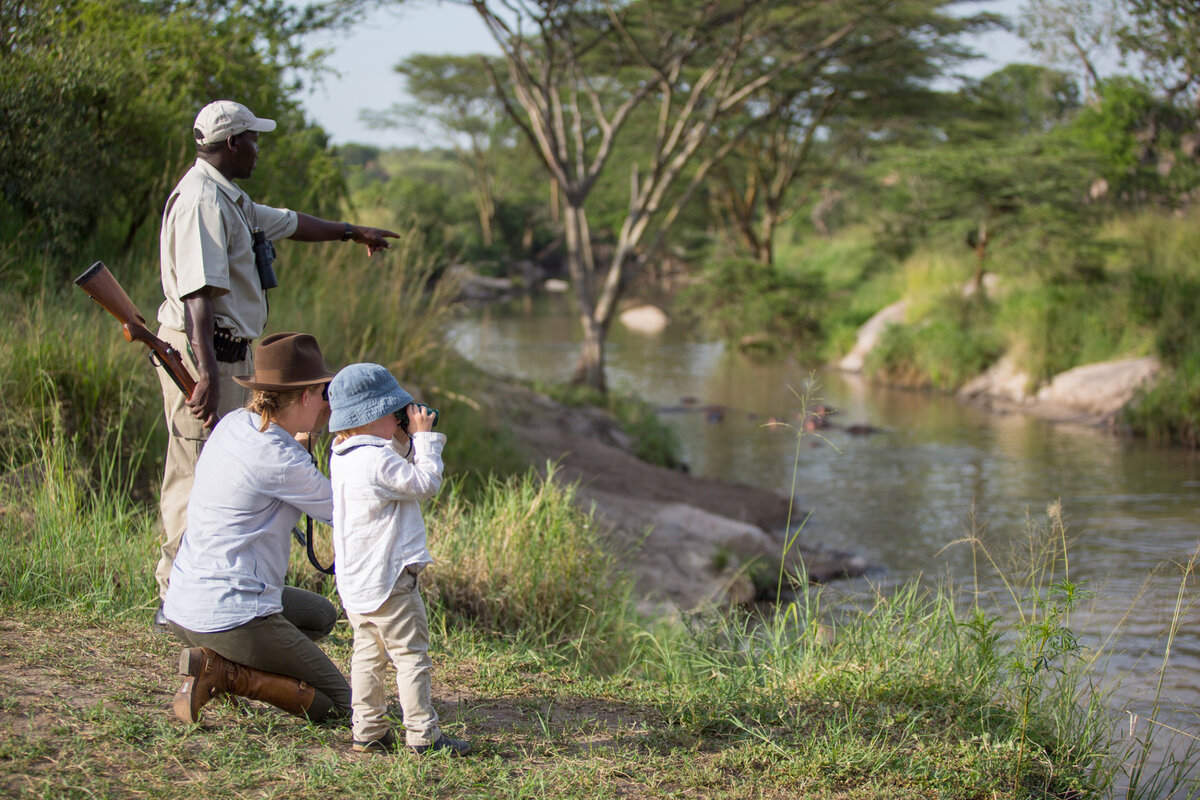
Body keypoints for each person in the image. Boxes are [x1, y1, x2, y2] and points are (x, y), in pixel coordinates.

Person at [153, 99, 399, 625]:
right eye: (253, 140)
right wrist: (207, 377)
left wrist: (351, 231)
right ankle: (175, 596)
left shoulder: (230, 198)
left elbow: (288, 223)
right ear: (232, 142)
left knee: (227, 465)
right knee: (195, 470)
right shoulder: (201, 200)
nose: (258, 150)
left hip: (225, 352)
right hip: (205, 353)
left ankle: (215, 588)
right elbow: (198, 297)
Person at [164, 332, 351, 724]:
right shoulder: (283, 461)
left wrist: (303, 440)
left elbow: (273, 469)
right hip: (229, 613)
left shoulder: (235, 423)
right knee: (343, 707)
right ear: (304, 396)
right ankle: (229, 675)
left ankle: (215, 659)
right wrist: (353, 446)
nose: (326, 403)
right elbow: (347, 511)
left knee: (319, 615)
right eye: (322, 393)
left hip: (183, 605)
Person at [326, 363, 471, 755]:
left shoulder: (342, 454)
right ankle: (424, 735)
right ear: (375, 416)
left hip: (357, 582)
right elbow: (425, 483)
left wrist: (400, 441)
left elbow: (386, 471)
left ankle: (368, 729)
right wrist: (423, 440)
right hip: (390, 581)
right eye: (395, 412)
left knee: (367, 655)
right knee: (410, 656)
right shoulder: (378, 461)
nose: (401, 418)